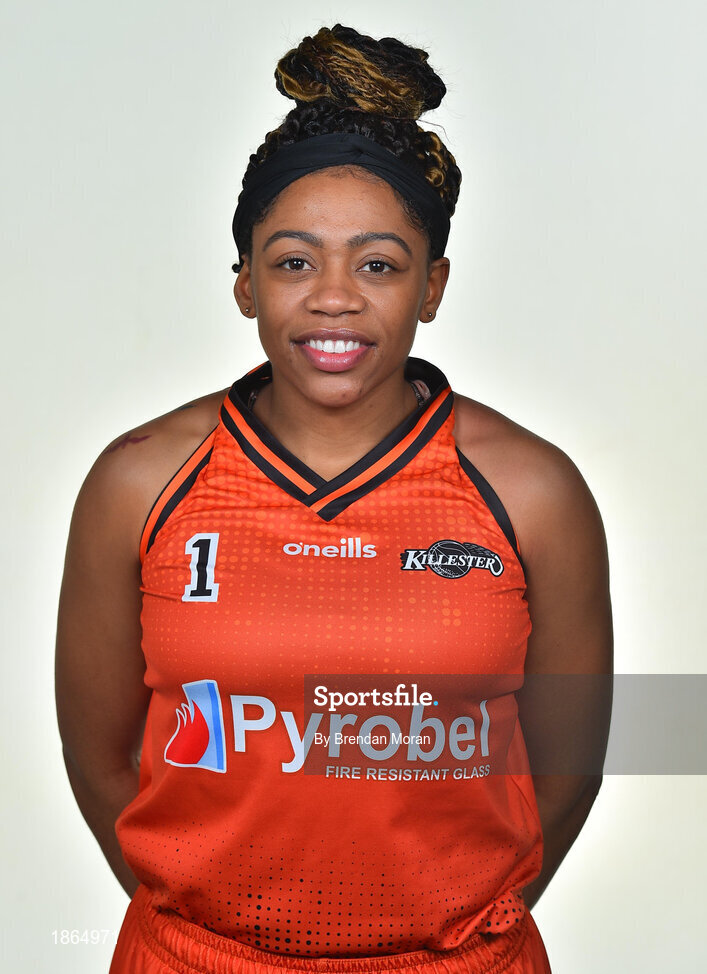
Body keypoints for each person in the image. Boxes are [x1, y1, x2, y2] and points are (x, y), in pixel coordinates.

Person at [55, 24, 613, 974]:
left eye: (379, 264)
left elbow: (566, 772)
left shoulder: (531, 491)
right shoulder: (139, 481)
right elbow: (101, 759)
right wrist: (215, 932)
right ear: (244, 284)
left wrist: (438, 930)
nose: (334, 299)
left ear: (431, 285)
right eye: (293, 261)